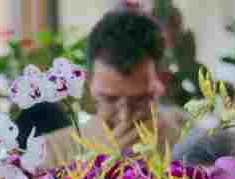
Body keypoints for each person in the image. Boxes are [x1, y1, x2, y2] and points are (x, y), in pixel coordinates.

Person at [43, 9, 187, 168]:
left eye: (140, 99)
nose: (125, 116)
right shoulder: (53, 151)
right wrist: (104, 167)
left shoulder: (189, 140)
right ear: (89, 84)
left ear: (162, 82)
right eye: (110, 99)